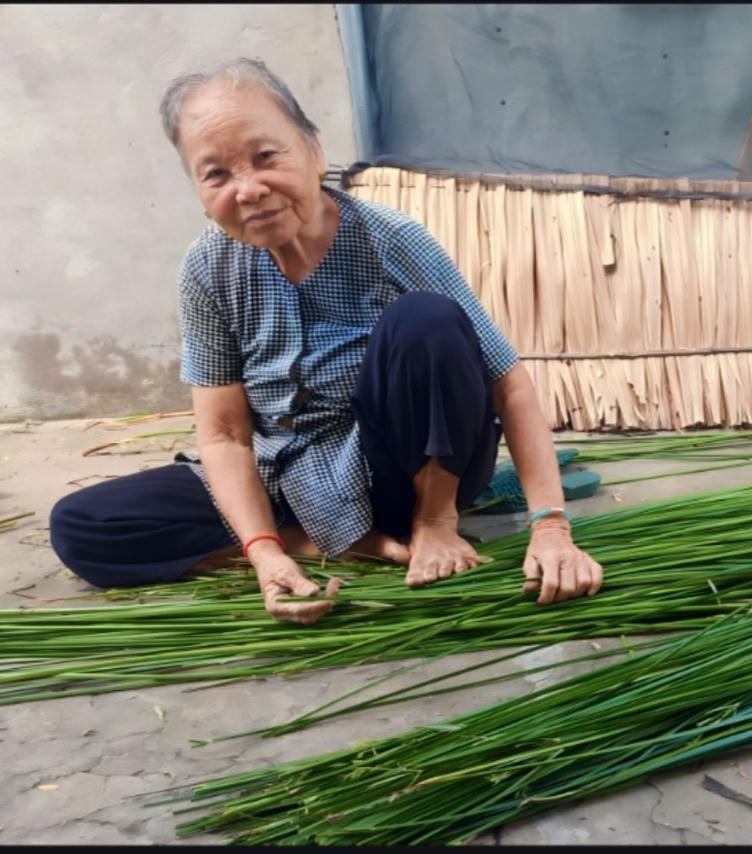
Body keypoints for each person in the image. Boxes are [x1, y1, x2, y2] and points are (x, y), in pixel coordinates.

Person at [48, 58, 603, 624]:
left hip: (405, 474)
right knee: (83, 527)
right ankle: (320, 545)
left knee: (426, 320)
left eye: (267, 157)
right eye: (216, 174)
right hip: (283, 478)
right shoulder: (207, 268)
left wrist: (551, 528)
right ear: (197, 188)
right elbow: (224, 433)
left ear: (314, 151)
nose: (249, 189)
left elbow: (508, 385)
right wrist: (264, 551)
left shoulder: (392, 239)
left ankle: (430, 529)